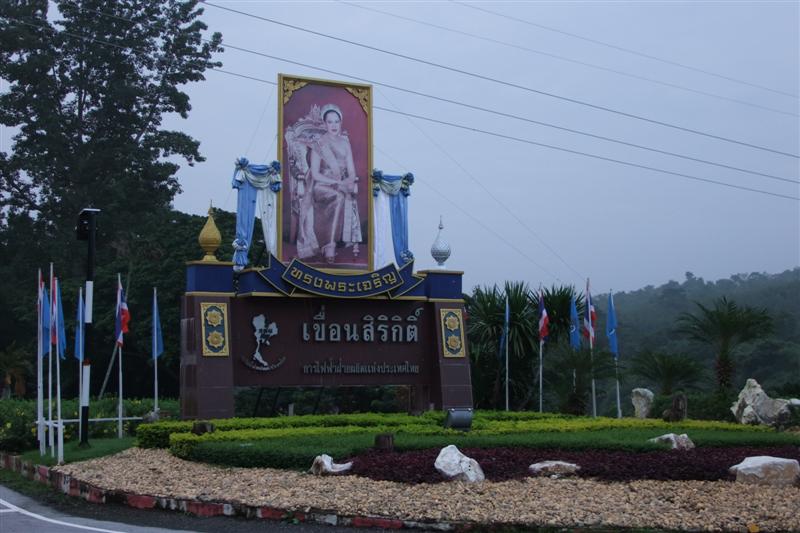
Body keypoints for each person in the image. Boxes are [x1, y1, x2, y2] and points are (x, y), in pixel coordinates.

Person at [305, 104, 362, 263]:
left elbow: (352, 171)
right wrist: (337, 183)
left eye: (336, 121)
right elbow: (315, 174)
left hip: (341, 184)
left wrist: (347, 181)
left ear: (340, 122)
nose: (334, 125)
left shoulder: (345, 143)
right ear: (324, 124)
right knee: (339, 196)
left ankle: (332, 243)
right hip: (321, 186)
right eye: (330, 122)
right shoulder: (319, 144)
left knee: (341, 194)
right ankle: (329, 244)